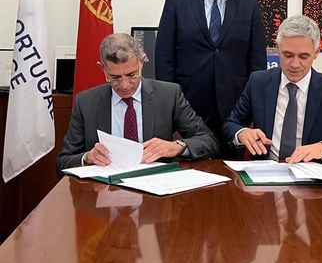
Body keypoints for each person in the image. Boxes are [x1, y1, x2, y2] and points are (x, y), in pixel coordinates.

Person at [155, 0, 267, 146]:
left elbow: (257, 63)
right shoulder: (176, 1)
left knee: (231, 167)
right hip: (187, 110)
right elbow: (164, 60)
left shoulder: (249, 5)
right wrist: (171, 113)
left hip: (235, 114)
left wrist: (250, 110)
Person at [57, 33, 219, 175]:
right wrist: (87, 157)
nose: (124, 85)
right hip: (105, 190)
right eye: (115, 77)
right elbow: (63, 162)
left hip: (155, 189)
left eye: (131, 75)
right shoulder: (86, 102)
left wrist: (177, 147)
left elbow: (209, 141)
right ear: (102, 68)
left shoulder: (169, 95)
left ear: (142, 61)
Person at [223, 15, 322, 164]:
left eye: (304, 57)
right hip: (265, 171)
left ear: (317, 52)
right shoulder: (258, 82)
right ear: (277, 48)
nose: (295, 64)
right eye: (288, 55)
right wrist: (242, 133)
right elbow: (231, 124)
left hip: (311, 173)